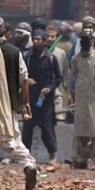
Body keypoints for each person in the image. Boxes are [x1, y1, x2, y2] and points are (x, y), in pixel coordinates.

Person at [0, 15, 37, 190]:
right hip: (9, 105)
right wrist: (25, 103)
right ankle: (27, 165)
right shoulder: (15, 52)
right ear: (5, 31)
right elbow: (24, 80)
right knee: (13, 137)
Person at [22, 30, 62, 164]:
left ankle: (52, 155)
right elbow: (21, 75)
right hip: (31, 98)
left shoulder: (51, 58)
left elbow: (58, 78)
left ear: (44, 42)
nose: (35, 41)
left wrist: (49, 88)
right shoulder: (27, 58)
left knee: (47, 127)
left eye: (39, 39)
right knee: (27, 128)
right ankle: (25, 155)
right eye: (34, 39)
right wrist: (26, 81)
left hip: (46, 100)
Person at [70, 31, 95, 169]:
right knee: (81, 130)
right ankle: (81, 157)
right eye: (82, 40)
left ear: (92, 41)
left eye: (87, 40)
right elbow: (75, 74)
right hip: (81, 97)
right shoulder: (75, 59)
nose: (85, 43)